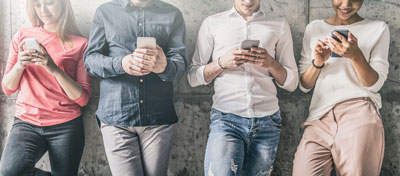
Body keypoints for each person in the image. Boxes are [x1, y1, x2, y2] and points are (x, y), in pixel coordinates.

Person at [187, 0, 298, 175]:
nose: (248, 1)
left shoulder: (279, 24)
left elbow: (292, 83)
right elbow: (193, 77)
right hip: (226, 119)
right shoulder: (212, 23)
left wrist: (271, 63)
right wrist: (222, 63)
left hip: (267, 121)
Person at [84, 0, 186, 175]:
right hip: (117, 117)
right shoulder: (105, 11)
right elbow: (90, 60)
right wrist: (121, 63)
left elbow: (181, 65)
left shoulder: (173, 14)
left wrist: (164, 66)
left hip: (158, 118)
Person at [293, 0, 389, 175]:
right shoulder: (314, 28)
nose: (346, 4)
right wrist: (318, 63)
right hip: (319, 117)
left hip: (359, 111)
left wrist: (356, 56)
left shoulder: (378, 28)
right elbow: (304, 86)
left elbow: (375, 84)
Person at [0, 0, 92, 175]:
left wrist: (54, 68)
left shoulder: (81, 44)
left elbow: (83, 98)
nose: (43, 10)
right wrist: (19, 65)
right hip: (26, 122)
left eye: (49, 3)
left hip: (66, 125)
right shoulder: (22, 36)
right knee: (10, 171)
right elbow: (7, 89)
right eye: (37, 4)